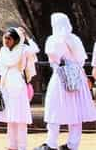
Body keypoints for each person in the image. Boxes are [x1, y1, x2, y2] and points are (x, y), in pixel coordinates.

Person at [35, 13, 96, 150]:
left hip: (61, 77)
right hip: (77, 76)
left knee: (53, 107)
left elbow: (53, 58)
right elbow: (81, 59)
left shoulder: (54, 39)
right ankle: (73, 144)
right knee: (76, 110)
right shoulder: (75, 39)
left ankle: (51, 142)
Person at [0, 28, 32, 150]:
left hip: (18, 85)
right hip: (5, 85)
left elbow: (30, 63)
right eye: (5, 38)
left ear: (15, 40)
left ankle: (22, 146)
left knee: (20, 118)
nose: (6, 41)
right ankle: (12, 145)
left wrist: (26, 38)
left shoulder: (23, 50)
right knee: (10, 118)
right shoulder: (2, 51)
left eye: (9, 38)